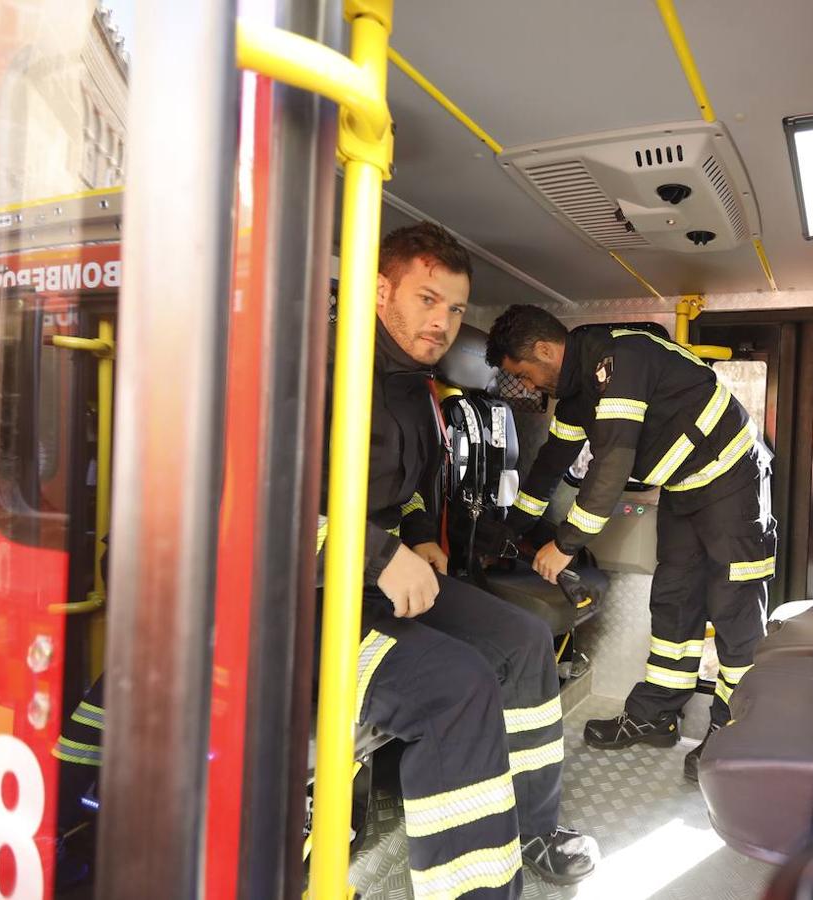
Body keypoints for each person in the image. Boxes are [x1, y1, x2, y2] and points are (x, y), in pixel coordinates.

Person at [315, 225, 597, 897]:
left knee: (525, 640)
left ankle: (533, 827)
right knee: (459, 684)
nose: (441, 322)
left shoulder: (415, 384)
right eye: (427, 299)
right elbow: (257, 500)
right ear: (381, 290)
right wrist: (381, 555)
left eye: (455, 309)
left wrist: (416, 536)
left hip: (376, 576)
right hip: (304, 599)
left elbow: (403, 484)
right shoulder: (318, 365)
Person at [483, 307, 775, 781]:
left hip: (733, 476)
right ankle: (654, 715)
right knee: (673, 599)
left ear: (543, 351)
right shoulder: (576, 390)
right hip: (685, 487)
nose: (530, 386)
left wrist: (566, 544)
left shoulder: (620, 359)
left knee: (733, 608)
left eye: (525, 375)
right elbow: (551, 463)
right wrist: (512, 526)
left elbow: (612, 463)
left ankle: (734, 736)